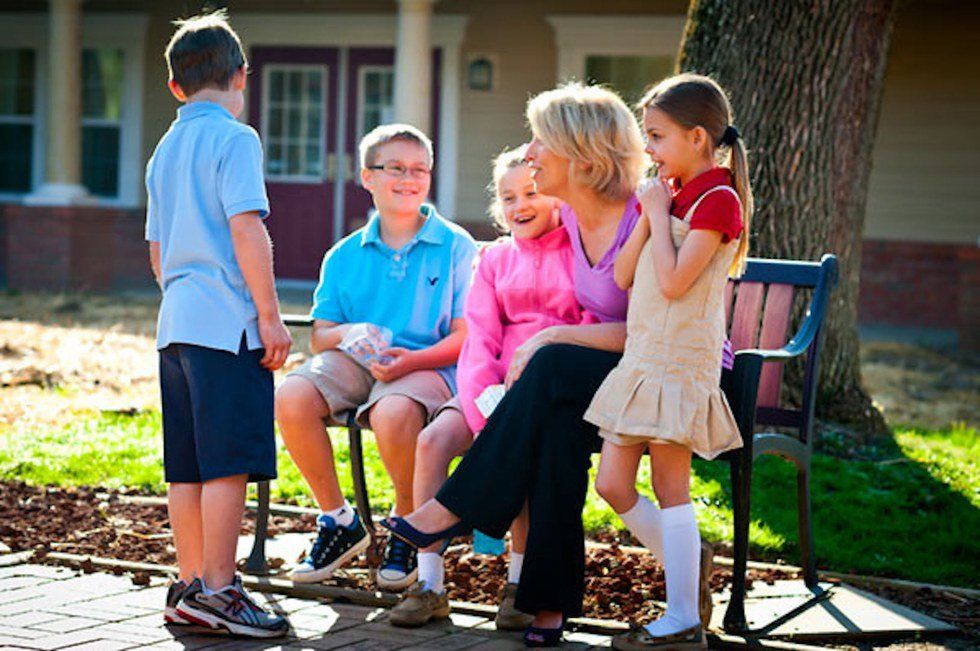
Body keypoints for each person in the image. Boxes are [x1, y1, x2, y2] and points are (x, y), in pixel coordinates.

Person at [383, 83, 649, 647]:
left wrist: (547, 339)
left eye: (539, 142)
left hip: (643, 367)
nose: (530, 152)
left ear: (578, 151)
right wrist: (495, 392)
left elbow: (649, 329)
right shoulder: (569, 223)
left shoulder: (641, 215)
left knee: (549, 363)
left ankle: (454, 508)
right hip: (556, 384)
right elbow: (482, 336)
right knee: (552, 435)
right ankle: (545, 603)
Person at [389, 147, 596, 628]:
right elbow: (479, 340)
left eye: (532, 192)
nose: (519, 205)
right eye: (507, 198)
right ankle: (430, 583)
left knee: (528, 452)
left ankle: (519, 586)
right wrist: (485, 415)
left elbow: (589, 322)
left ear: (559, 198)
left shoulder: (581, 252)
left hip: (550, 394)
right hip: (487, 390)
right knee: (433, 439)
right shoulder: (495, 259)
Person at [275, 124, 478, 591]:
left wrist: (408, 363)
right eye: (395, 169)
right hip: (357, 362)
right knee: (292, 395)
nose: (409, 179)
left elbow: (466, 336)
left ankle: (408, 522)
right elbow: (321, 337)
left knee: (393, 411)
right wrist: (351, 332)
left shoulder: (456, 246)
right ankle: (338, 520)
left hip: (429, 363)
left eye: (419, 170)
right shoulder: (343, 255)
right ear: (367, 177)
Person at [589, 73, 751, 651]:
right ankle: (689, 562)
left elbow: (679, 282)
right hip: (643, 359)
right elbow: (625, 276)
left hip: (682, 363)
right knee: (611, 483)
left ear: (699, 137)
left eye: (657, 137)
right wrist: (647, 212)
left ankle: (683, 616)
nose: (650, 150)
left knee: (670, 485)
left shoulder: (718, 199)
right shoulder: (671, 192)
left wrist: (659, 216)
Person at [145, 10, 291, 638]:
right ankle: (223, 590)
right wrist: (270, 315)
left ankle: (191, 587)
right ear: (241, 76)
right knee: (227, 464)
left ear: (175, 87)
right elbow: (245, 225)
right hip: (226, 326)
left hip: (174, 325)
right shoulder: (237, 139)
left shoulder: (164, 150)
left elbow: (155, 250)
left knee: (187, 466)